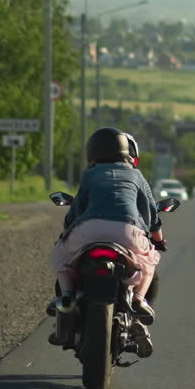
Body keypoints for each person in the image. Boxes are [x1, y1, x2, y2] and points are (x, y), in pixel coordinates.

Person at [50, 127, 166, 326]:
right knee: (150, 261)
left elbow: (75, 212)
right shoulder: (136, 176)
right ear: (124, 150)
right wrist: (158, 240)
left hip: (88, 230)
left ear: (91, 152)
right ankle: (138, 299)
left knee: (59, 256)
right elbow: (153, 219)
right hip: (127, 232)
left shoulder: (89, 175)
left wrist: (66, 235)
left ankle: (67, 295)